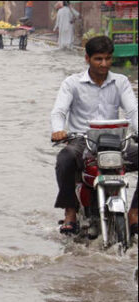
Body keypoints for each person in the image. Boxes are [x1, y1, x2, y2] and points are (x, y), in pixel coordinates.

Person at [50, 36, 138, 236]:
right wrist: (58, 130)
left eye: (108, 59)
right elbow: (59, 112)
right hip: (82, 140)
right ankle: (70, 211)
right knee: (64, 158)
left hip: (115, 141)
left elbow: (133, 111)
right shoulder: (72, 83)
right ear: (87, 58)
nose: (104, 64)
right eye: (98, 59)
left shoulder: (121, 82)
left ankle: (134, 212)